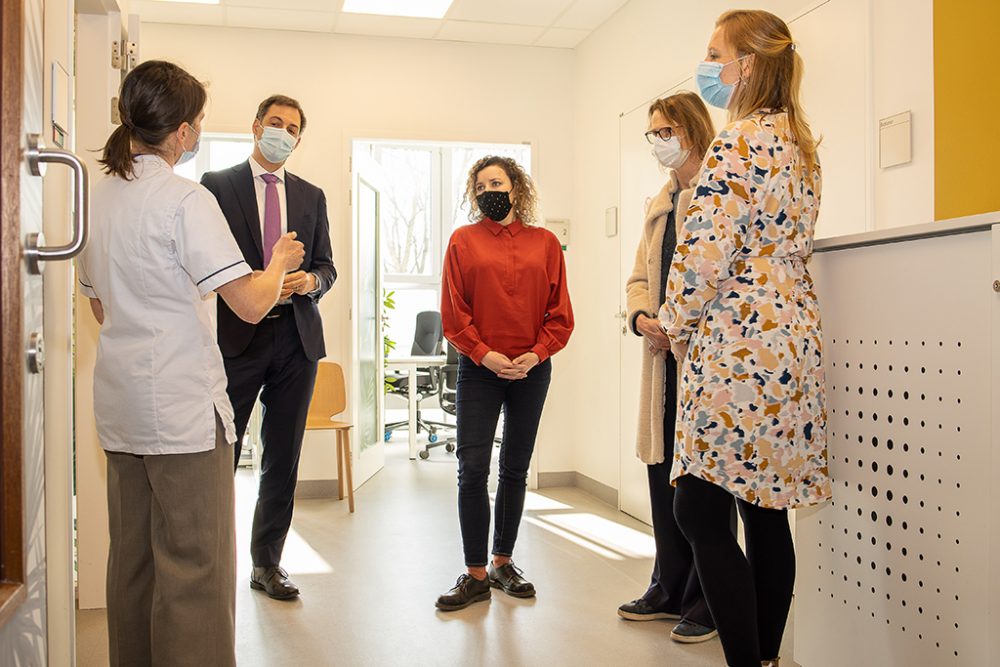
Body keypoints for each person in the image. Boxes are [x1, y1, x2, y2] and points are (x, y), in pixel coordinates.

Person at [78, 60, 305, 666]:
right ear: (180, 132)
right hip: (182, 414)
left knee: (132, 563)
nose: (199, 133)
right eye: (198, 122)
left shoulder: (97, 200)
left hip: (122, 407)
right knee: (195, 568)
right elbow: (253, 305)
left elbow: (100, 310)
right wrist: (279, 259)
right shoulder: (185, 199)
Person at [660, 10, 828, 667]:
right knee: (764, 509)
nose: (707, 67)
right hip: (789, 341)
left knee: (699, 510)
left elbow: (706, 254)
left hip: (738, 343)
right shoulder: (800, 143)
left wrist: (672, 321)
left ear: (748, 66)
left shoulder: (739, 141)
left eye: (714, 54)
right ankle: (766, 657)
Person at [201, 94, 337, 600]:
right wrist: (260, 280)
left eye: (292, 128)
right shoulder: (216, 187)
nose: (282, 132)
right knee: (221, 450)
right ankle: (210, 561)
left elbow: (327, 266)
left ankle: (267, 564)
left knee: (283, 455)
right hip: (238, 334)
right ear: (256, 126)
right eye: (274, 123)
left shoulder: (311, 195)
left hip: (296, 339)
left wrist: (308, 283)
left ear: (299, 139)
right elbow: (207, 260)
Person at [436, 156, 574, 611]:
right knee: (472, 468)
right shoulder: (463, 241)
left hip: (532, 370)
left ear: (515, 189)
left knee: (515, 468)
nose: (487, 191)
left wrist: (535, 354)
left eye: (496, 182)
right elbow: (455, 314)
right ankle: (475, 574)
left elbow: (560, 313)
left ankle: (502, 562)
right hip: (480, 370)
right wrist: (485, 354)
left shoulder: (546, 243)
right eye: (479, 186)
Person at [619, 91, 723, 644]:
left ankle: (709, 598)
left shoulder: (718, 192)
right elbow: (640, 275)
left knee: (704, 483)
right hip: (662, 359)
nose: (659, 141)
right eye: (652, 132)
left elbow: (720, 279)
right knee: (662, 470)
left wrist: (679, 323)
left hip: (706, 360)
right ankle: (668, 584)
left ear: (692, 130)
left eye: (666, 131)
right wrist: (641, 316)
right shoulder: (659, 202)